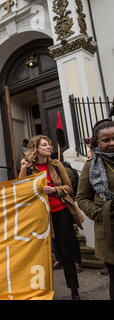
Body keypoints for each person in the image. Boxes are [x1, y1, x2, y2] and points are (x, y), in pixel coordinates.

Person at [19, 135, 82, 300]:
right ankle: (42, 292)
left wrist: (54, 190)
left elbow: (68, 187)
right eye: (44, 145)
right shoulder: (28, 167)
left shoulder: (56, 164)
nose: (49, 147)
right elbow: (21, 191)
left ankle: (74, 290)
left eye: (49, 145)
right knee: (42, 255)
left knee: (66, 252)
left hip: (61, 212)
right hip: (40, 215)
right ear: (36, 148)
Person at [76, 119, 114, 300]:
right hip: (109, 230)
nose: (111, 143)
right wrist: (103, 212)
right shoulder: (90, 166)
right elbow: (81, 198)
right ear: (97, 142)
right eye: (106, 140)